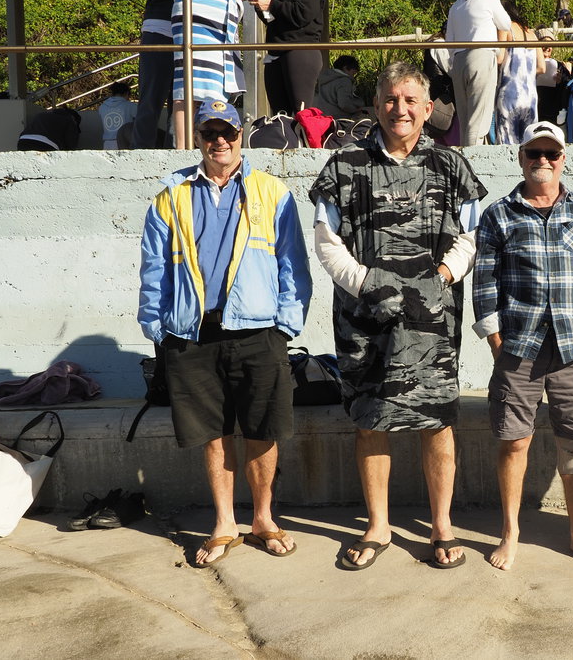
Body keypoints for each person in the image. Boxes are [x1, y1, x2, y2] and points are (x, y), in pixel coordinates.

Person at [308, 62, 487, 570]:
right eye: (390, 99)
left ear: (429, 109)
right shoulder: (345, 165)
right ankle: (378, 526)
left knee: (437, 422)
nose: (400, 109)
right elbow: (326, 240)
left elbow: (471, 235)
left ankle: (443, 526)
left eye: (411, 101)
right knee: (371, 420)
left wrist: (446, 276)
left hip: (432, 320)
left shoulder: (452, 166)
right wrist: (365, 283)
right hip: (365, 321)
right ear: (376, 106)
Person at [138, 99, 313, 567]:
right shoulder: (170, 196)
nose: (220, 141)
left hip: (258, 333)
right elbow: (153, 269)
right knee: (213, 436)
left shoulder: (271, 191)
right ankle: (223, 523)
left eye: (228, 132)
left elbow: (294, 264)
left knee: (261, 431)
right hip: (192, 336)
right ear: (198, 137)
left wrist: (285, 327)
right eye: (210, 133)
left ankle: (263, 519)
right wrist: (155, 325)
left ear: (242, 135)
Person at [472, 121, 573, 570]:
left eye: (551, 154)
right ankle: (510, 532)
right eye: (534, 153)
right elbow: (484, 281)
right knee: (514, 442)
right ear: (521, 159)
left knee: (572, 442)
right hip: (519, 346)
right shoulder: (499, 213)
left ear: (563, 158)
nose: (542, 161)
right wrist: (496, 341)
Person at [171, 0, 245, 149]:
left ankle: (211, 146)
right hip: (199, 4)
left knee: (203, 83)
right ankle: (186, 149)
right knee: (187, 84)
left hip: (216, 6)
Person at [446, 0, 512, 146]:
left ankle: (464, 158)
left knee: (464, 119)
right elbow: (505, 24)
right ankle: (472, 163)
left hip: (458, 59)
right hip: (481, 55)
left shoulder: (455, 5)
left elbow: (449, 40)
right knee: (478, 119)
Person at [244, 0, 325, 116]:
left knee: (302, 114)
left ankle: (305, 135)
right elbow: (272, 20)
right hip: (275, 53)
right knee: (279, 117)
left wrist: (271, 4)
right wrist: (259, 5)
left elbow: (304, 13)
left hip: (301, 49)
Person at [494, 0, 545, 144]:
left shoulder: (505, 27)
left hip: (509, 92)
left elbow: (499, 58)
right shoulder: (531, 33)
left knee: (506, 141)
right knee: (529, 141)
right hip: (530, 95)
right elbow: (542, 67)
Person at [133, 0, 174, 149]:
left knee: (180, 101)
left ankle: (177, 150)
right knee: (150, 98)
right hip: (158, 27)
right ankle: (140, 152)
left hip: (190, 31)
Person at [17, 107, 82, 151]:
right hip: (45, 144)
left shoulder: (42, 114)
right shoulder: (69, 119)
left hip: (23, 142)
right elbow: (71, 145)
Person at [98, 82, 138, 150]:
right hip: (124, 142)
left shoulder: (102, 107)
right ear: (126, 93)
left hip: (107, 143)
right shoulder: (130, 106)